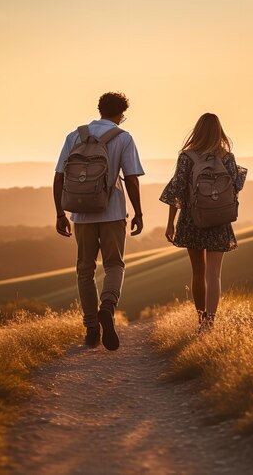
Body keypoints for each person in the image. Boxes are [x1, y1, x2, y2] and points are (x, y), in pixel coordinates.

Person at [53, 91, 145, 350]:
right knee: (114, 264)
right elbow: (132, 178)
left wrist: (60, 213)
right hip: (113, 211)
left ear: (99, 109)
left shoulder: (76, 135)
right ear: (121, 114)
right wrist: (138, 212)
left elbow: (59, 177)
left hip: (80, 213)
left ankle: (91, 328)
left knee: (85, 269)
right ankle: (107, 306)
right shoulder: (123, 138)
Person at [159, 113, 247, 332]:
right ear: (219, 131)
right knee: (214, 274)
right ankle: (210, 323)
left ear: (196, 131)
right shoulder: (227, 156)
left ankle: (201, 320)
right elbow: (235, 187)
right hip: (219, 219)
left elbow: (176, 191)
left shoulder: (186, 157)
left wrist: (170, 223)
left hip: (192, 219)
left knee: (198, 272)